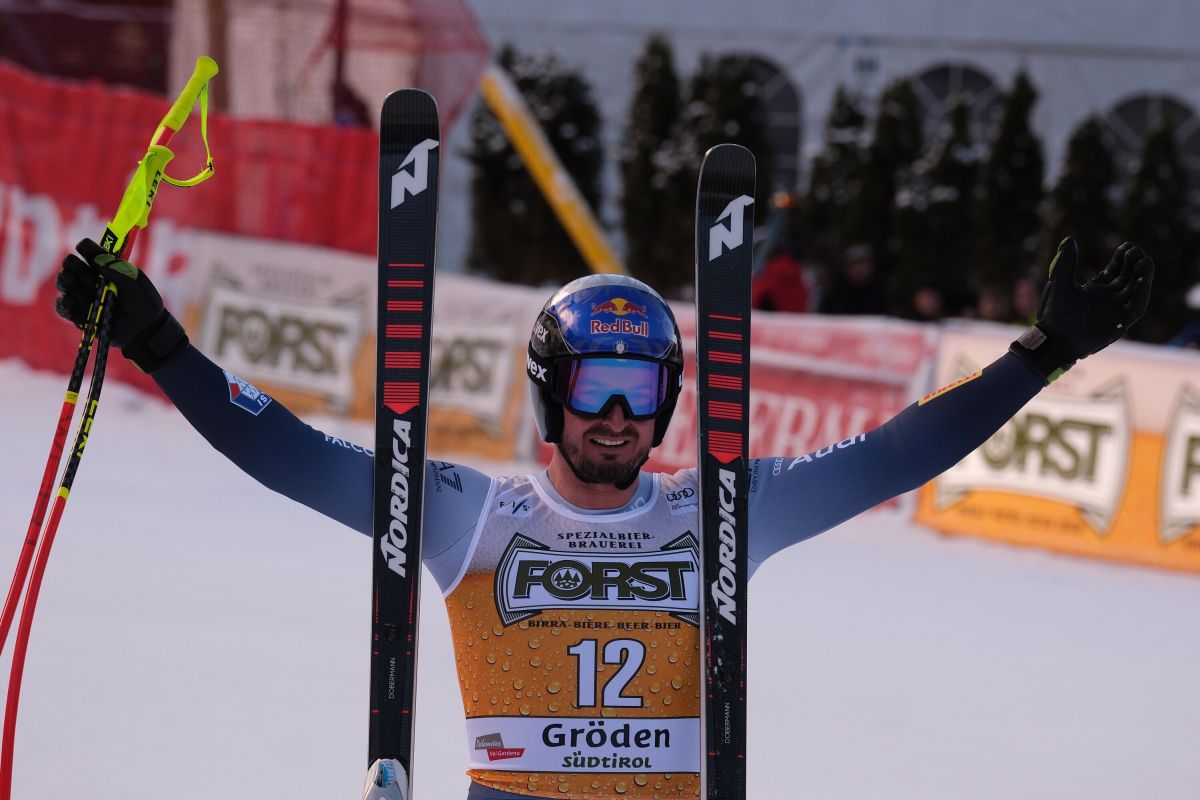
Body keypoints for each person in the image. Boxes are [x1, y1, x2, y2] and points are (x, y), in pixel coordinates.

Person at [54, 236, 1153, 800]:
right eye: (594, 385)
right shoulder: (465, 512)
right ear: (550, 391)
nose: (620, 416)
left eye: (641, 387)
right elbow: (288, 451)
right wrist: (161, 345)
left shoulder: (720, 510)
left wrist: (1038, 356)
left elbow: (896, 453)